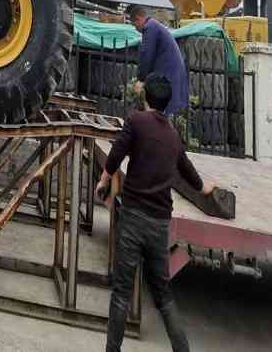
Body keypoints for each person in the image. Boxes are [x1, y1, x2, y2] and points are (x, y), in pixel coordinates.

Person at [97, 73, 215, 352]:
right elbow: (188, 172)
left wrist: (104, 179)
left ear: (145, 96)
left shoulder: (136, 121)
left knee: (122, 292)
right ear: (166, 103)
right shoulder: (173, 136)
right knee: (162, 295)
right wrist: (204, 187)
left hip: (134, 219)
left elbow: (116, 154)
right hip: (160, 223)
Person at [128, 5, 188, 116]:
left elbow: (146, 55)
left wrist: (141, 79)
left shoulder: (150, 28)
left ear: (138, 18)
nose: (135, 28)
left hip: (168, 73)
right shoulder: (155, 26)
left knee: (165, 111)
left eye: (134, 24)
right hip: (172, 72)